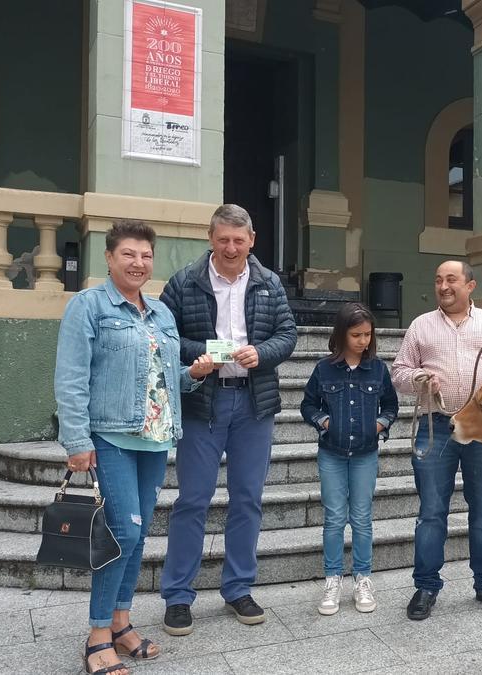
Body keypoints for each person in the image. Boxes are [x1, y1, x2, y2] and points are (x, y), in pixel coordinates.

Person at [54, 220, 216, 675]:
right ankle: (98, 633)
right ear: (108, 258)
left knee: (139, 531)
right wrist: (77, 441)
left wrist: (195, 374)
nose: (138, 263)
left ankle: (123, 623)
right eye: (128, 254)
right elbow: (71, 378)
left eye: (145, 255)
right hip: (110, 435)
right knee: (122, 532)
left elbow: (166, 381)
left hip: (154, 437)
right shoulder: (88, 307)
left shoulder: (161, 313)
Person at [158, 204, 298, 635]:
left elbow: (287, 335)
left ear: (252, 240)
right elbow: (164, 335)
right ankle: (178, 596)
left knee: (247, 501)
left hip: (253, 405)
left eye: (239, 240)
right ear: (211, 238)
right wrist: (200, 355)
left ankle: (238, 587)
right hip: (204, 403)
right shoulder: (184, 281)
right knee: (192, 502)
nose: (232, 247)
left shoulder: (269, 283)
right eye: (224, 239)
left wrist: (263, 354)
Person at [391, 260, 482, 621]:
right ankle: (427, 585)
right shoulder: (421, 326)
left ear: (470, 285)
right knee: (431, 513)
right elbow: (398, 372)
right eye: (438, 280)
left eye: (451, 279)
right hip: (437, 426)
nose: (444, 286)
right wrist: (417, 377)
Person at [300, 303, 398, 615]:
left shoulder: (378, 369)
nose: (363, 341)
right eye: (356, 334)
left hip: (366, 455)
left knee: (361, 518)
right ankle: (332, 579)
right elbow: (307, 405)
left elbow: (391, 407)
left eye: (368, 334)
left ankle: (363, 578)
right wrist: (324, 422)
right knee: (333, 517)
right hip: (332, 453)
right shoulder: (323, 369)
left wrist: (380, 424)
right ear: (341, 334)